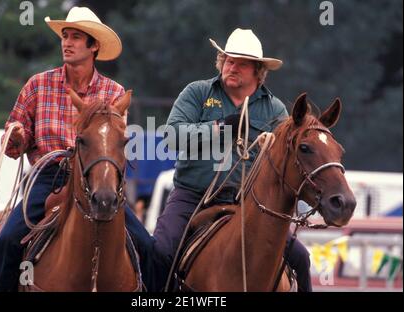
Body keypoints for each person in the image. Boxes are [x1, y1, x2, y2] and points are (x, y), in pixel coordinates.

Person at [125, 28, 312, 292]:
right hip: (192, 196)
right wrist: (220, 127)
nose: (231, 67)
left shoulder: (275, 110)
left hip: (249, 205)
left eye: (241, 63)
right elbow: (172, 136)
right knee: (161, 253)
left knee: (301, 259)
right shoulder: (198, 93)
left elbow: (290, 160)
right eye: (228, 60)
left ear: (257, 70)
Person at [0, 6, 126, 291]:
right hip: (47, 176)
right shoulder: (37, 85)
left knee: (147, 247)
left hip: (96, 176)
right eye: (65, 36)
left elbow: (115, 144)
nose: (67, 42)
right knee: (5, 241)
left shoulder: (113, 92)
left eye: (76, 37)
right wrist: (15, 137)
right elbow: (14, 140)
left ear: (94, 46)